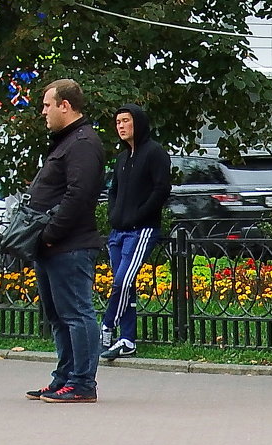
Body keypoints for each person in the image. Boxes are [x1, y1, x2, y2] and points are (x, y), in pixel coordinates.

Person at [24, 78, 106, 403]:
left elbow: (79, 195)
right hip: (52, 245)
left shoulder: (82, 142)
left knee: (77, 314)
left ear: (65, 106)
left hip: (68, 245)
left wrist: (49, 234)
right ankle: (64, 378)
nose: (43, 111)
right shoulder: (66, 141)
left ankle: (83, 383)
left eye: (47, 105)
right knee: (58, 316)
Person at [100, 104, 172, 360]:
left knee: (122, 281)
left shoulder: (155, 153)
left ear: (137, 123)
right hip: (118, 232)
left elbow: (161, 189)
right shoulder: (121, 158)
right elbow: (113, 191)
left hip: (141, 230)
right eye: (117, 121)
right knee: (125, 287)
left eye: (125, 121)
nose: (120, 126)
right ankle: (127, 339)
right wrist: (114, 214)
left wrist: (139, 214)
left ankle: (107, 326)